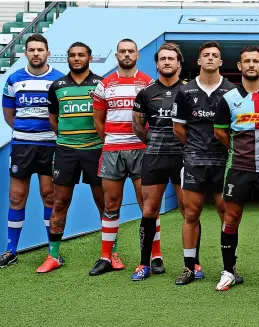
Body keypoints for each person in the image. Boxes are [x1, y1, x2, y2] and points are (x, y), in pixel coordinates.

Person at [213, 45, 259, 291]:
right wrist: (237, 149)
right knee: (231, 218)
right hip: (238, 168)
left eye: (256, 61)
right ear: (240, 67)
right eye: (246, 61)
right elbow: (220, 132)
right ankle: (229, 271)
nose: (251, 65)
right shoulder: (229, 98)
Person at [0, 34, 64, 269]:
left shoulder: (58, 80)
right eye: (32, 50)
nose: (36, 54)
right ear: (26, 53)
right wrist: (25, 131)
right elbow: (8, 115)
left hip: (49, 145)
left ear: (48, 52)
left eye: (40, 50)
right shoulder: (14, 79)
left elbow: (62, 114)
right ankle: (11, 251)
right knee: (16, 197)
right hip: (22, 146)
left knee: (49, 196)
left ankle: (53, 252)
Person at [89, 39, 158, 276]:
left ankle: (155, 256)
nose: (126, 55)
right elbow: (98, 120)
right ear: (116, 55)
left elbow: (154, 119)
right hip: (112, 150)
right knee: (110, 204)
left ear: (137, 55)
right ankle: (105, 257)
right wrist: (112, 140)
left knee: (147, 206)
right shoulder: (104, 85)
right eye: (122, 51)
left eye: (130, 51)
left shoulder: (148, 83)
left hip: (141, 150)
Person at [35, 42, 104, 273]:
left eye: (81, 55)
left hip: (95, 150)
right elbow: (54, 119)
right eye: (72, 55)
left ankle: (109, 253)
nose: (76, 59)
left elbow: (103, 118)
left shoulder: (100, 84)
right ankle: (53, 255)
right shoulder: (57, 85)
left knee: (104, 204)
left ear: (89, 58)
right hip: (65, 151)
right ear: (67, 59)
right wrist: (67, 139)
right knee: (60, 203)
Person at [172, 41, 235, 285]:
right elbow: (178, 129)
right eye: (206, 55)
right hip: (194, 162)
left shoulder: (231, 91)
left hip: (223, 162)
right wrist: (196, 149)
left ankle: (230, 268)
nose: (210, 58)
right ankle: (189, 267)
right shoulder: (185, 91)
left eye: (215, 55)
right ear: (199, 61)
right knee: (191, 214)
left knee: (227, 215)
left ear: (221, 62)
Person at [129, 42, 186, 281]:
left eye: (171, 58)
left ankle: (192, 264)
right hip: (154, 158)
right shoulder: (145, 93)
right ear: (156, 63)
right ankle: (144, 264)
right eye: (162, 59)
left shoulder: (190, 91)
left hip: (184, 159)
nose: (166, 62)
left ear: (179, 63)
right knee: (149, 210)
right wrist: (155, 142)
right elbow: (138, 126)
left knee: (188, 212)